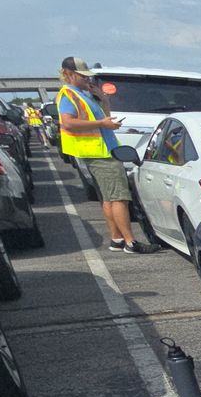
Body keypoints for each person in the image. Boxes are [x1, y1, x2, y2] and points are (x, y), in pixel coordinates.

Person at [56, 56, 151, 253]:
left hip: (103, 149)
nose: (87, 80)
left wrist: (103, 100)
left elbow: (103, 118)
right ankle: (131, 242)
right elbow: (68, 123)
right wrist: (102, 124)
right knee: (119, 198)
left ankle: (117, 239)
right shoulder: (68, 95)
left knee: (109, 198)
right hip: (100, 153)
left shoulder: (82, 95)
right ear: (70, 75)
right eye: (83, 77)